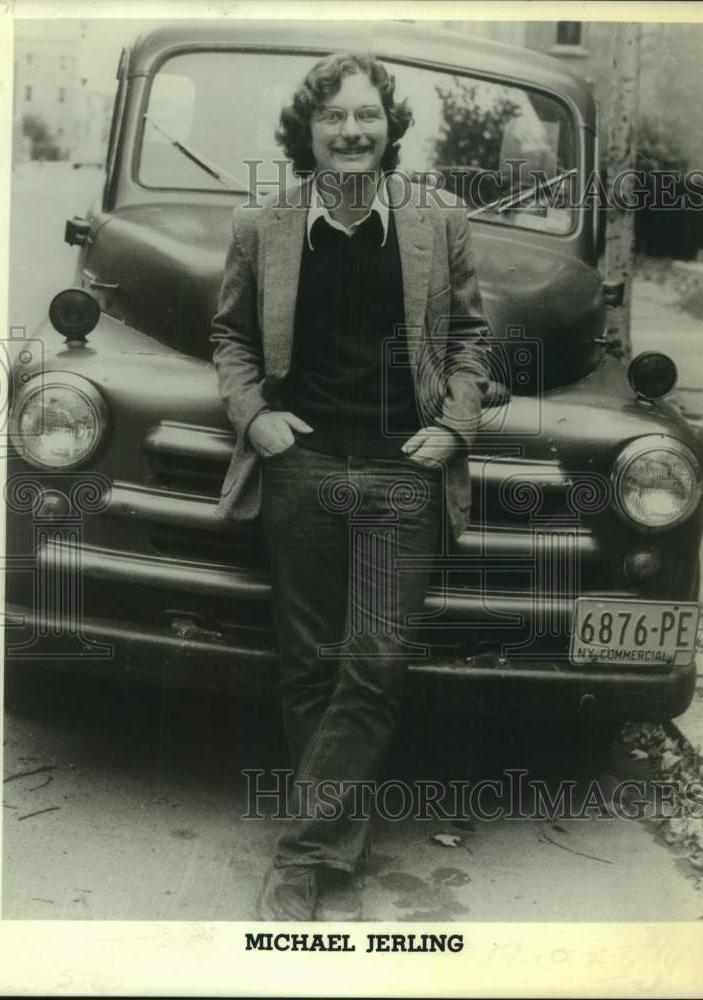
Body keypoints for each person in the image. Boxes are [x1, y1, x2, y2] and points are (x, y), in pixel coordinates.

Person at [211, 51, 506, 921]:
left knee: (374, 664)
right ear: (307, 132)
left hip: (398, 469)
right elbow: (229, 336)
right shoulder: (261, 223)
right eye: (333, 117)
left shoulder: (436, 220)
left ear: (389, 128)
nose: (350, 131)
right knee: (306, 664)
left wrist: (452, 428)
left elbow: (469, 340)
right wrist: (254, 416)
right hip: (297, 463)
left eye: (365, 116)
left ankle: (299, 854)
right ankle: (333, 844)